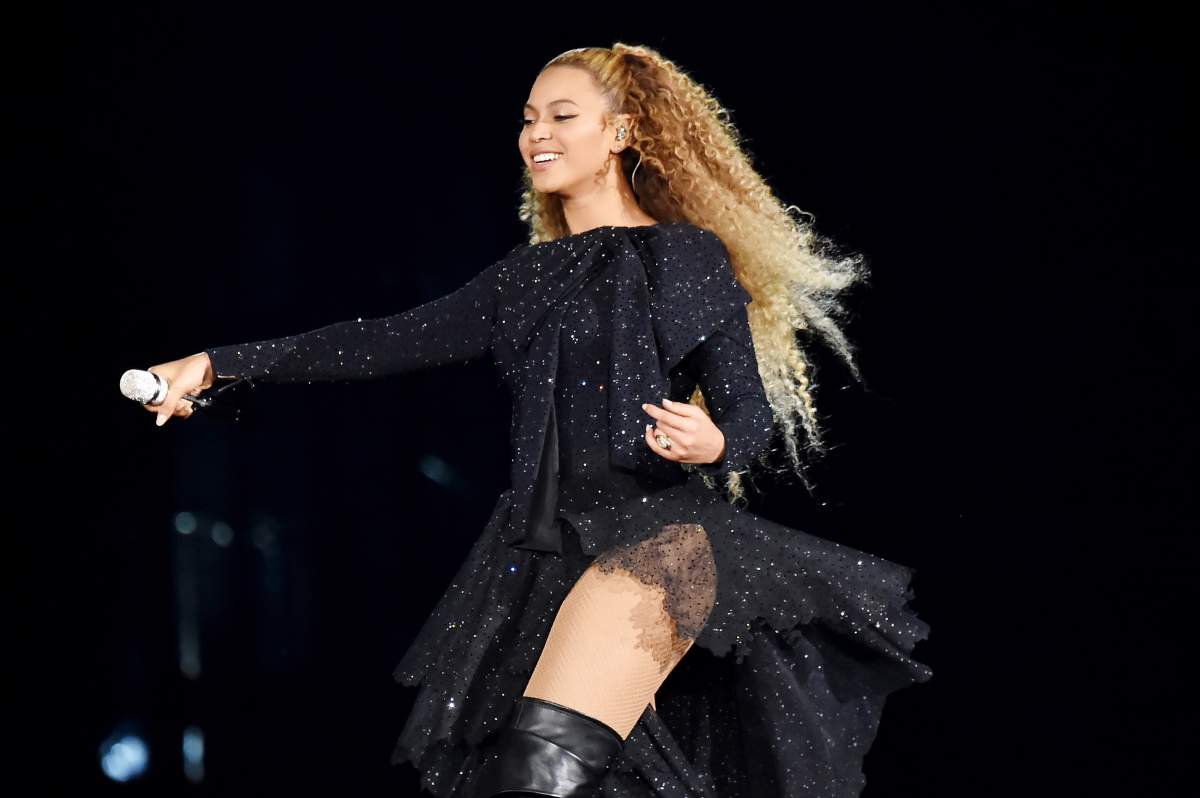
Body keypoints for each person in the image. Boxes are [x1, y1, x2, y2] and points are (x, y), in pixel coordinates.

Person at [143, 44, 933, 798]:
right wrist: (217, 364)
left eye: (562, 116)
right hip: (539, 556)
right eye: (528, 118)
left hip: (656, 540)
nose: (537, 135)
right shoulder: (521, 280)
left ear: (621, 133)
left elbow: (748, 416)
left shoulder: (682, 257)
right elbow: (380, 340)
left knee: (537, 773)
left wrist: (716, 440)